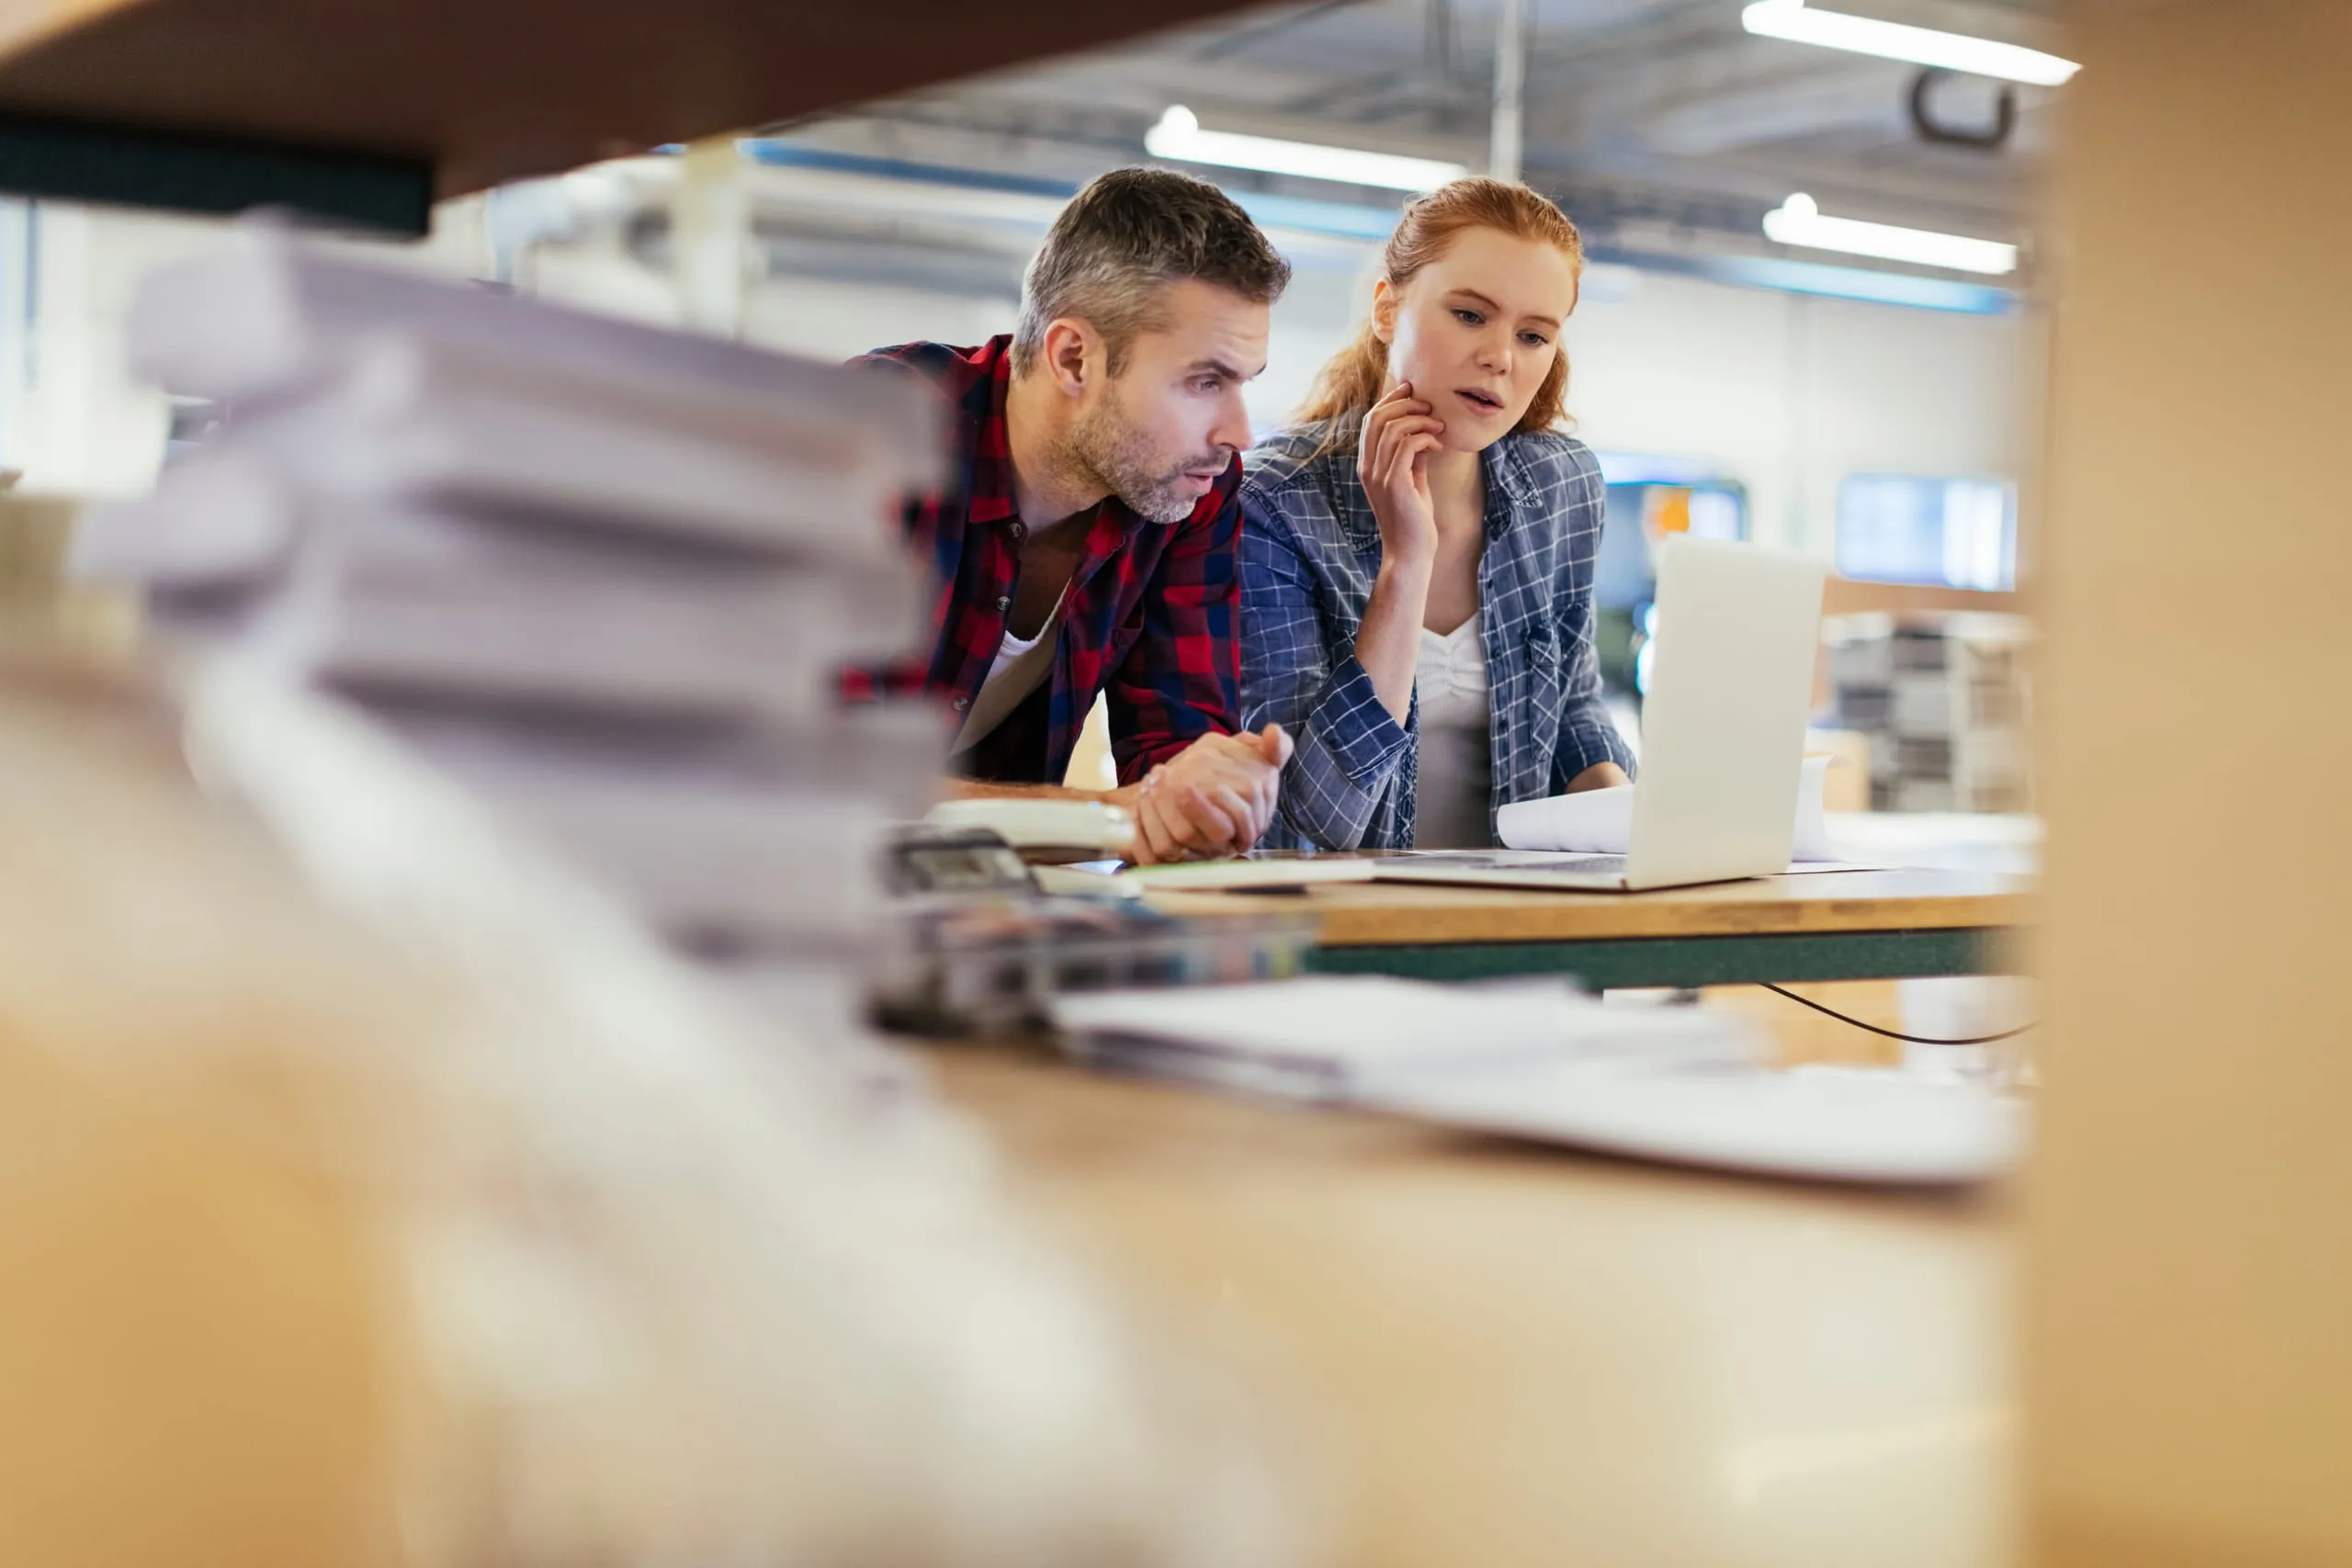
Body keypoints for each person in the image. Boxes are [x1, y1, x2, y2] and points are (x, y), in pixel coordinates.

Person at [847, 168, 1296, 863]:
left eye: (1244, 384)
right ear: (1074, 359)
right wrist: (1109, 815)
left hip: (974, 894)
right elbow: (810, 771)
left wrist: (1206, 805)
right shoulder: (872, 432)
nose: (1238, 432)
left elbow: (1175, 765)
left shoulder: (1188, 492)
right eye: (1205, 382)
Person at [1238, 177, 1634, 852]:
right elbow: (1311, 821)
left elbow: (1571, 710)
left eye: (1533, 335)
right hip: (1340, 906)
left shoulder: (1563, 486)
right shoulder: (1274, 503)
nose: (1500, 357)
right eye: (1471, 315)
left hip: (1511, 901)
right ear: (1387, 310)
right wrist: (1406, 563)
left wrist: (1637, 822)